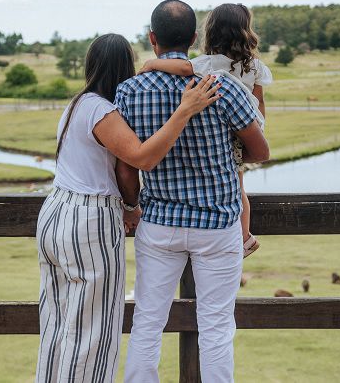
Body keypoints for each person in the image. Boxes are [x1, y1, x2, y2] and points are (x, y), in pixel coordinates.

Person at [35, 33, 221, 383]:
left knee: (58, 325)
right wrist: (184, 110)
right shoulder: (102, 110)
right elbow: (139, 159)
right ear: (124, 67)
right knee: (93, 333)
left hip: (56, 213)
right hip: (88, 219)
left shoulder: (77, 103)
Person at [118, 0, 270, 383]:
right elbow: (261, 151)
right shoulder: (223, 87)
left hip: (158, 224)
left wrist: (132, 206)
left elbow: (125, 164)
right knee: (216, 327)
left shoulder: (129, 91)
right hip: (217, 224)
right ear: (193, 38)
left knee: (148, 323)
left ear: (152, 39)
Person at [138, 2, 271, 257]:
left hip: (223, 126)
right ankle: (244, 237)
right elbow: (259, 98)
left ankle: (243, 238)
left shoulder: (208, 63)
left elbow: (183, 67)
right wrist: (258, 127)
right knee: (238, 185)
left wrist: (153, 65)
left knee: (235, 184)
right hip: (248, 123)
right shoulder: (252, 65)